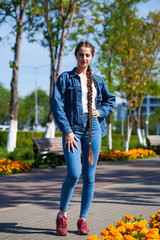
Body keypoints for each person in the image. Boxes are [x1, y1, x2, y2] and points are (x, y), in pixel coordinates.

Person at [51, 41, 116, 236]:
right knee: (74, 173)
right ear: (76, 56)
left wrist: (101, 111)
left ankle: (82, 219)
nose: (84, 58)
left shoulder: (98, 80)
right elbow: (56, 105)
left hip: (93, 130)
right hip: (73, 132)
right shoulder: (65, 78)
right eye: (81, 54)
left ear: (92, 57)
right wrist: (67, 130)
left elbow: (110, 100)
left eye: (87, 55)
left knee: (89, 176)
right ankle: (62, 214)